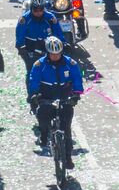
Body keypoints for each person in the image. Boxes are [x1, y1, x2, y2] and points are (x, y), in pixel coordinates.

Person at [28, 36, 83, 167]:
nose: (55, 56)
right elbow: (33, 79)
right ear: (48, 53)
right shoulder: (39, 65)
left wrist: (76, 94)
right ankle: (44, 133)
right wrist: (34, 95)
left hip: (64, 97)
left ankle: (68, 158)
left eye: (57, 54)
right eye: (52, 54)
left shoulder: (70, 63)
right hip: (46, 96)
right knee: (42, 115)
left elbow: (77, 78)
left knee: (66, 129)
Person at [15, 0, 64, 76]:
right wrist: (20, 46)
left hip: (46, 46)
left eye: (41, 10)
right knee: (31, 70)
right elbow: (20, 33)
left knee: (51, 69)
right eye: (35, 10)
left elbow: (57, 31)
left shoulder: (50, 17)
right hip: (30, 46)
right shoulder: (25, 19)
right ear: (31, 9)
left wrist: (63, 42)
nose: (38, 12)